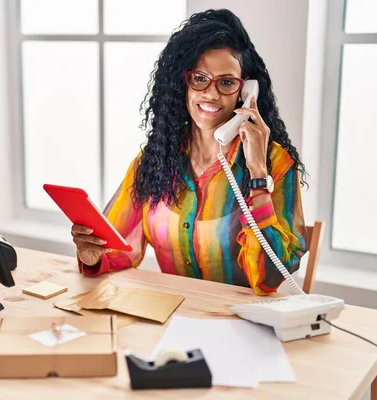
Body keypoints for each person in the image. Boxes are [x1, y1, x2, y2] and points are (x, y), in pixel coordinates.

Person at [71, 9, 308, 295]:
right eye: (199, 78)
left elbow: (268, 279)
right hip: (172, 318)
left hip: (243, 323)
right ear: (182, 83)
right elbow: (120, 247)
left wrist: (258, 173)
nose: (211, 93)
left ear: (246, 90)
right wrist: (93, 256)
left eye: (226, 82)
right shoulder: (155, 160)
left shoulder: (276, 163)